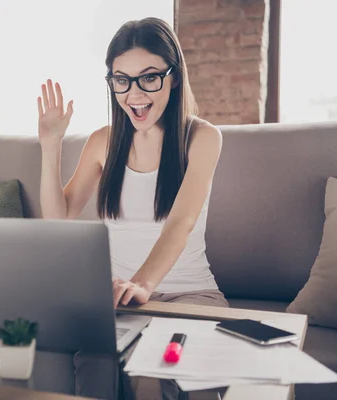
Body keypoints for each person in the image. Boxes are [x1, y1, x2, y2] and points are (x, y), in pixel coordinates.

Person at [37, 17, 229, 400]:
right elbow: (59, 218)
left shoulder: (203, 138)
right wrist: (50, 144)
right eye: (121, 79)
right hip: (116, 298)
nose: (134, 93)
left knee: (153, 378)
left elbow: (181, 221)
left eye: (149, 77)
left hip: (190, 294)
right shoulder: (102, 142)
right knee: (95, 370)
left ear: (173, 77)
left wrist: (142, 284)